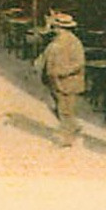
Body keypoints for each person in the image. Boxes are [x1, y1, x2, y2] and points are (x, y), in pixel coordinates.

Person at [35, 11, 86, 147]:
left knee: (65, 110)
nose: (54, 28)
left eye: (56, 26)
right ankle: (73, 126)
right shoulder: (56, 40)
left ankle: (67, 138)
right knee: (57, 107)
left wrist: (62, 72)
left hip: (68, 82)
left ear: (62, 28)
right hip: (54, 81)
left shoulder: (74, 42)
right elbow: (47, 53)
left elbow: (79, 63)